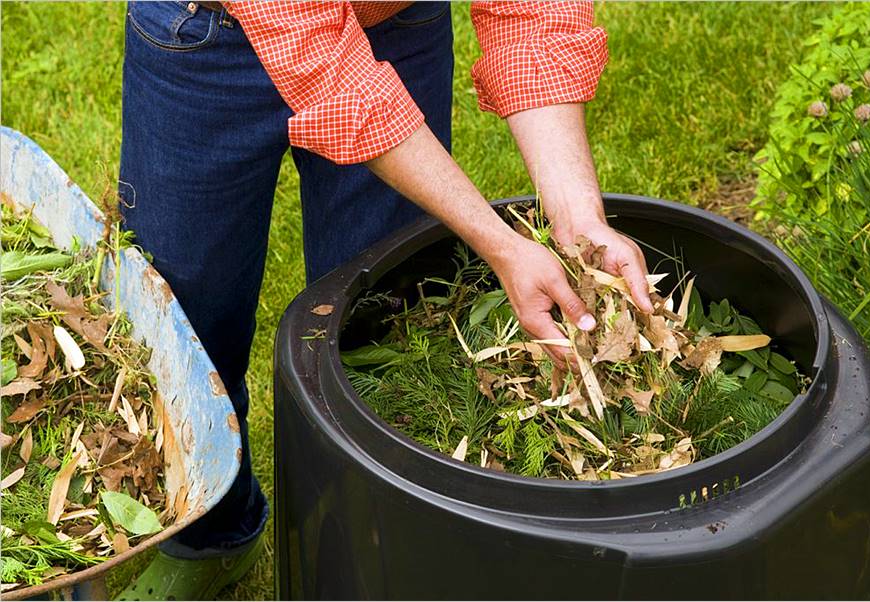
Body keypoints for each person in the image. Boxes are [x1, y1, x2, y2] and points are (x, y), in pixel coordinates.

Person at [115, 1, 652, 598]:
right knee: (186, 324)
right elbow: (327, 69)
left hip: (393, 23)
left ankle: (370, 542)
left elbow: (531, 12)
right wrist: (499, 244)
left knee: (380, 326)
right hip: (204, 44)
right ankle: (212, 536)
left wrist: (577, 222)